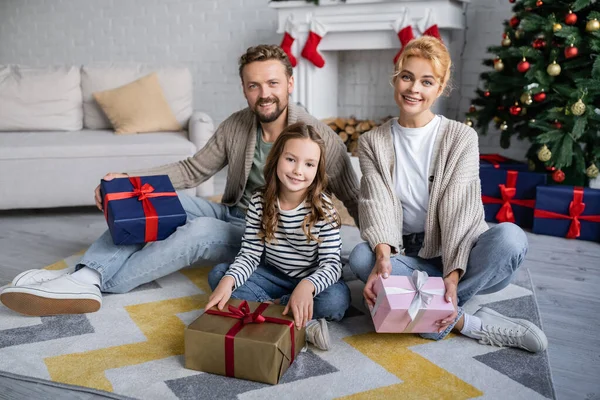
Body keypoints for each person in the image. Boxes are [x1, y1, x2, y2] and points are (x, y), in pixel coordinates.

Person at [0, 45, 360, 319]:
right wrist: (130, 182)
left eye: (272, 83)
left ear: (289, 84)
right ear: (244, 89)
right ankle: (87, 276)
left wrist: (380, 251)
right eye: (254, 85)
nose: (264, 93)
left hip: (266, 233)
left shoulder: (317, 136)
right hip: (237, 214)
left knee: (201, 231)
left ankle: (101, 285)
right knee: (148, 201)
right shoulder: (236, 125)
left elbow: (353, 194)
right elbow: (192, 170)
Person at [348, 36, 548, 353]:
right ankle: (466, 322)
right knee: (361, 257)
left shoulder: (461, 137)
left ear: (439, 89)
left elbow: (460, 210)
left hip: (463, 251)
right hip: (411, 254)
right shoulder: (373, 141)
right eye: (407, 77)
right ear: (396, 78)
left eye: (426, 81)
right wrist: (384, 257)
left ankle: (438, 308)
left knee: (511, 238)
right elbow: (376, 201)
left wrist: (453, 277)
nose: (414, 88)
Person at [206, 122, 349, 350]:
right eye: (291, 159)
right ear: (276, 158)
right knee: (219, 276)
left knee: (336, 301)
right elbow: (250, 255)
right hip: (272, 275)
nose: (297, 171)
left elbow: (331, 264)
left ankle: (276, 307)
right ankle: (297, 316)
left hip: (310, 279)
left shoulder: (324, 208)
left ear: (317, 170)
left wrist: (307, 286)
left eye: (309, 164)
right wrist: (229, 282)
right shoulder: (259, 201)